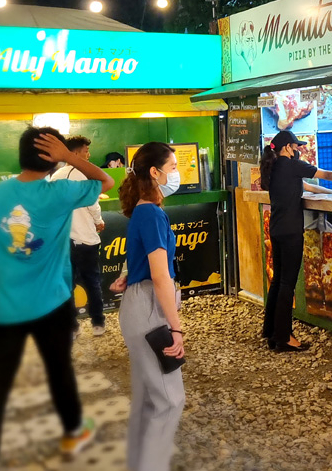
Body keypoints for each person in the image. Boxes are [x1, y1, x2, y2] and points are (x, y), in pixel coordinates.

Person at [0, 127, 114, 462]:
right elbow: (106, 182)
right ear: (53, 157)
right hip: (51, 302)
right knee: (59, 370)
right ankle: (72, 433)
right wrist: (69, 156)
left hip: (3, 303)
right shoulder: (60, 193)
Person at [107, 142, 185, 471]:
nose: (177, 173)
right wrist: (176, 326)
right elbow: (161, 276)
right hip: (150, 306)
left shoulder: (143, 210)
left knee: (148, 396)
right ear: (155, 172)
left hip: (139, 304)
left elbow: (138, 255)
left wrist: (127, 275)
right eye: (173, 166)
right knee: (170, 399)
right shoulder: (151, 213)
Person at [259, 130, 332, 352]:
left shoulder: (274, 168)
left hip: (276, 230)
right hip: (290, 232)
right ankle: (284, 337)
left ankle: (271, 331)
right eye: (296, 146)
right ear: (287, 147)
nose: (298, 150)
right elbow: (324, 174)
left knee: (277, 281)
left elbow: (307, 187)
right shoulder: (292, 165)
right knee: (287, 283)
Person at [52, 136, 107, 338]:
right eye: (85, 150)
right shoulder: (84, 175)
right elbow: (92, 203)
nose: (88, 154)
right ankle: (98, 323)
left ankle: (72, 326)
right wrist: (99, 221)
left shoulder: (56, 176)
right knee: (92, 280)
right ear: (75, 153)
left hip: (63, 240)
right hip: (85, 238)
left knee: (67, 283)